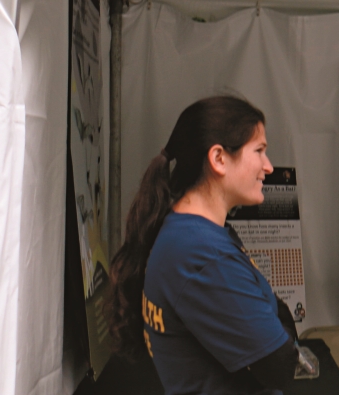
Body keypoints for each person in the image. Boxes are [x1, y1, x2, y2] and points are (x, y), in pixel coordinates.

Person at [108, 96, 301, 394]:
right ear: (219, 159)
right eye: (259, 151)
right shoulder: (202, 254)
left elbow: (276, 321)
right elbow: (282, 364)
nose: (268, 166)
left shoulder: (189, 233)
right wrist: (276, 321)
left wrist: (274, 319)